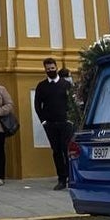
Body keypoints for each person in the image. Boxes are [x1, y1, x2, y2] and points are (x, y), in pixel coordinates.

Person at [34, 57, 73, 191]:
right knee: (56, 151)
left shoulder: (66, 84)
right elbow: (37, 105)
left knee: (66, 150)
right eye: (48, 68)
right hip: (50, 124)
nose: (50, 70)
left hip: (65, 123)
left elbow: (72, 103)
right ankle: (61, 178)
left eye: (52, 68)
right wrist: (44, 121)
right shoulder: (41, 86)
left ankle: (71, 177)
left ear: (56, 67)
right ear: (45, 69)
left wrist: (71, 119)